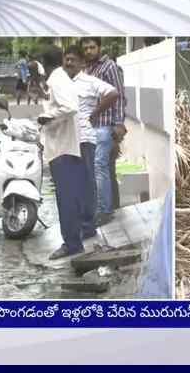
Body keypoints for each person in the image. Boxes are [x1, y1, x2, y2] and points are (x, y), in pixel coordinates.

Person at [62, 44, 120, 241]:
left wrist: (96, 113)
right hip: (67, 140)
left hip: (85, 139)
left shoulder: (89, 81)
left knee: (87, 183)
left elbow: (113, 93)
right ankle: (80, 225)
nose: (69, 63)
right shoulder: (61, 83)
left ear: (81, 63)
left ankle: (89, 227)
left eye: (73, 60)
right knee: (73, 185)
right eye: (67, 59)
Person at [35, 45, 84, 260]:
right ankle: (72, 241)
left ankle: (72, 243)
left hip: (63, 149)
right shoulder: (60, 79)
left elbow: (70, 107)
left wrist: (47, 117)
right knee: (68, 197)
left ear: (45, 62)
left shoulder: (57, 80)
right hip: (63, 147)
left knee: (67, 199)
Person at [81, 37, 127, 225]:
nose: (89, 51)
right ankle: (108, 208)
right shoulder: (87, 69)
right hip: (91, 127)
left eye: (92, 47)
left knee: (100, 167)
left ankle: (105, 210)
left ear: (100, 48)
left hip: (106, 124)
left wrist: (118, 124)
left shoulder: (109, 67)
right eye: (85, 48)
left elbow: (120, 95)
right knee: (103, 168)